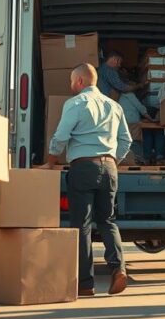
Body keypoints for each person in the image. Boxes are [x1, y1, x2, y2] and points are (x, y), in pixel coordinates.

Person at [49, 64, 132, 297]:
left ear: (79, 82)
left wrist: (50, 160)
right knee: (107, 221)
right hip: (109, 167)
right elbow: (126, 141)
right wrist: (114, 159)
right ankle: (118, 269)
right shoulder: (114, 106)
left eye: (71, 81)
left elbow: (61, 136)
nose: (70, 85)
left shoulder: (75, 103)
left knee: (82, 225)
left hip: (83, 166)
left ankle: (85, 284)